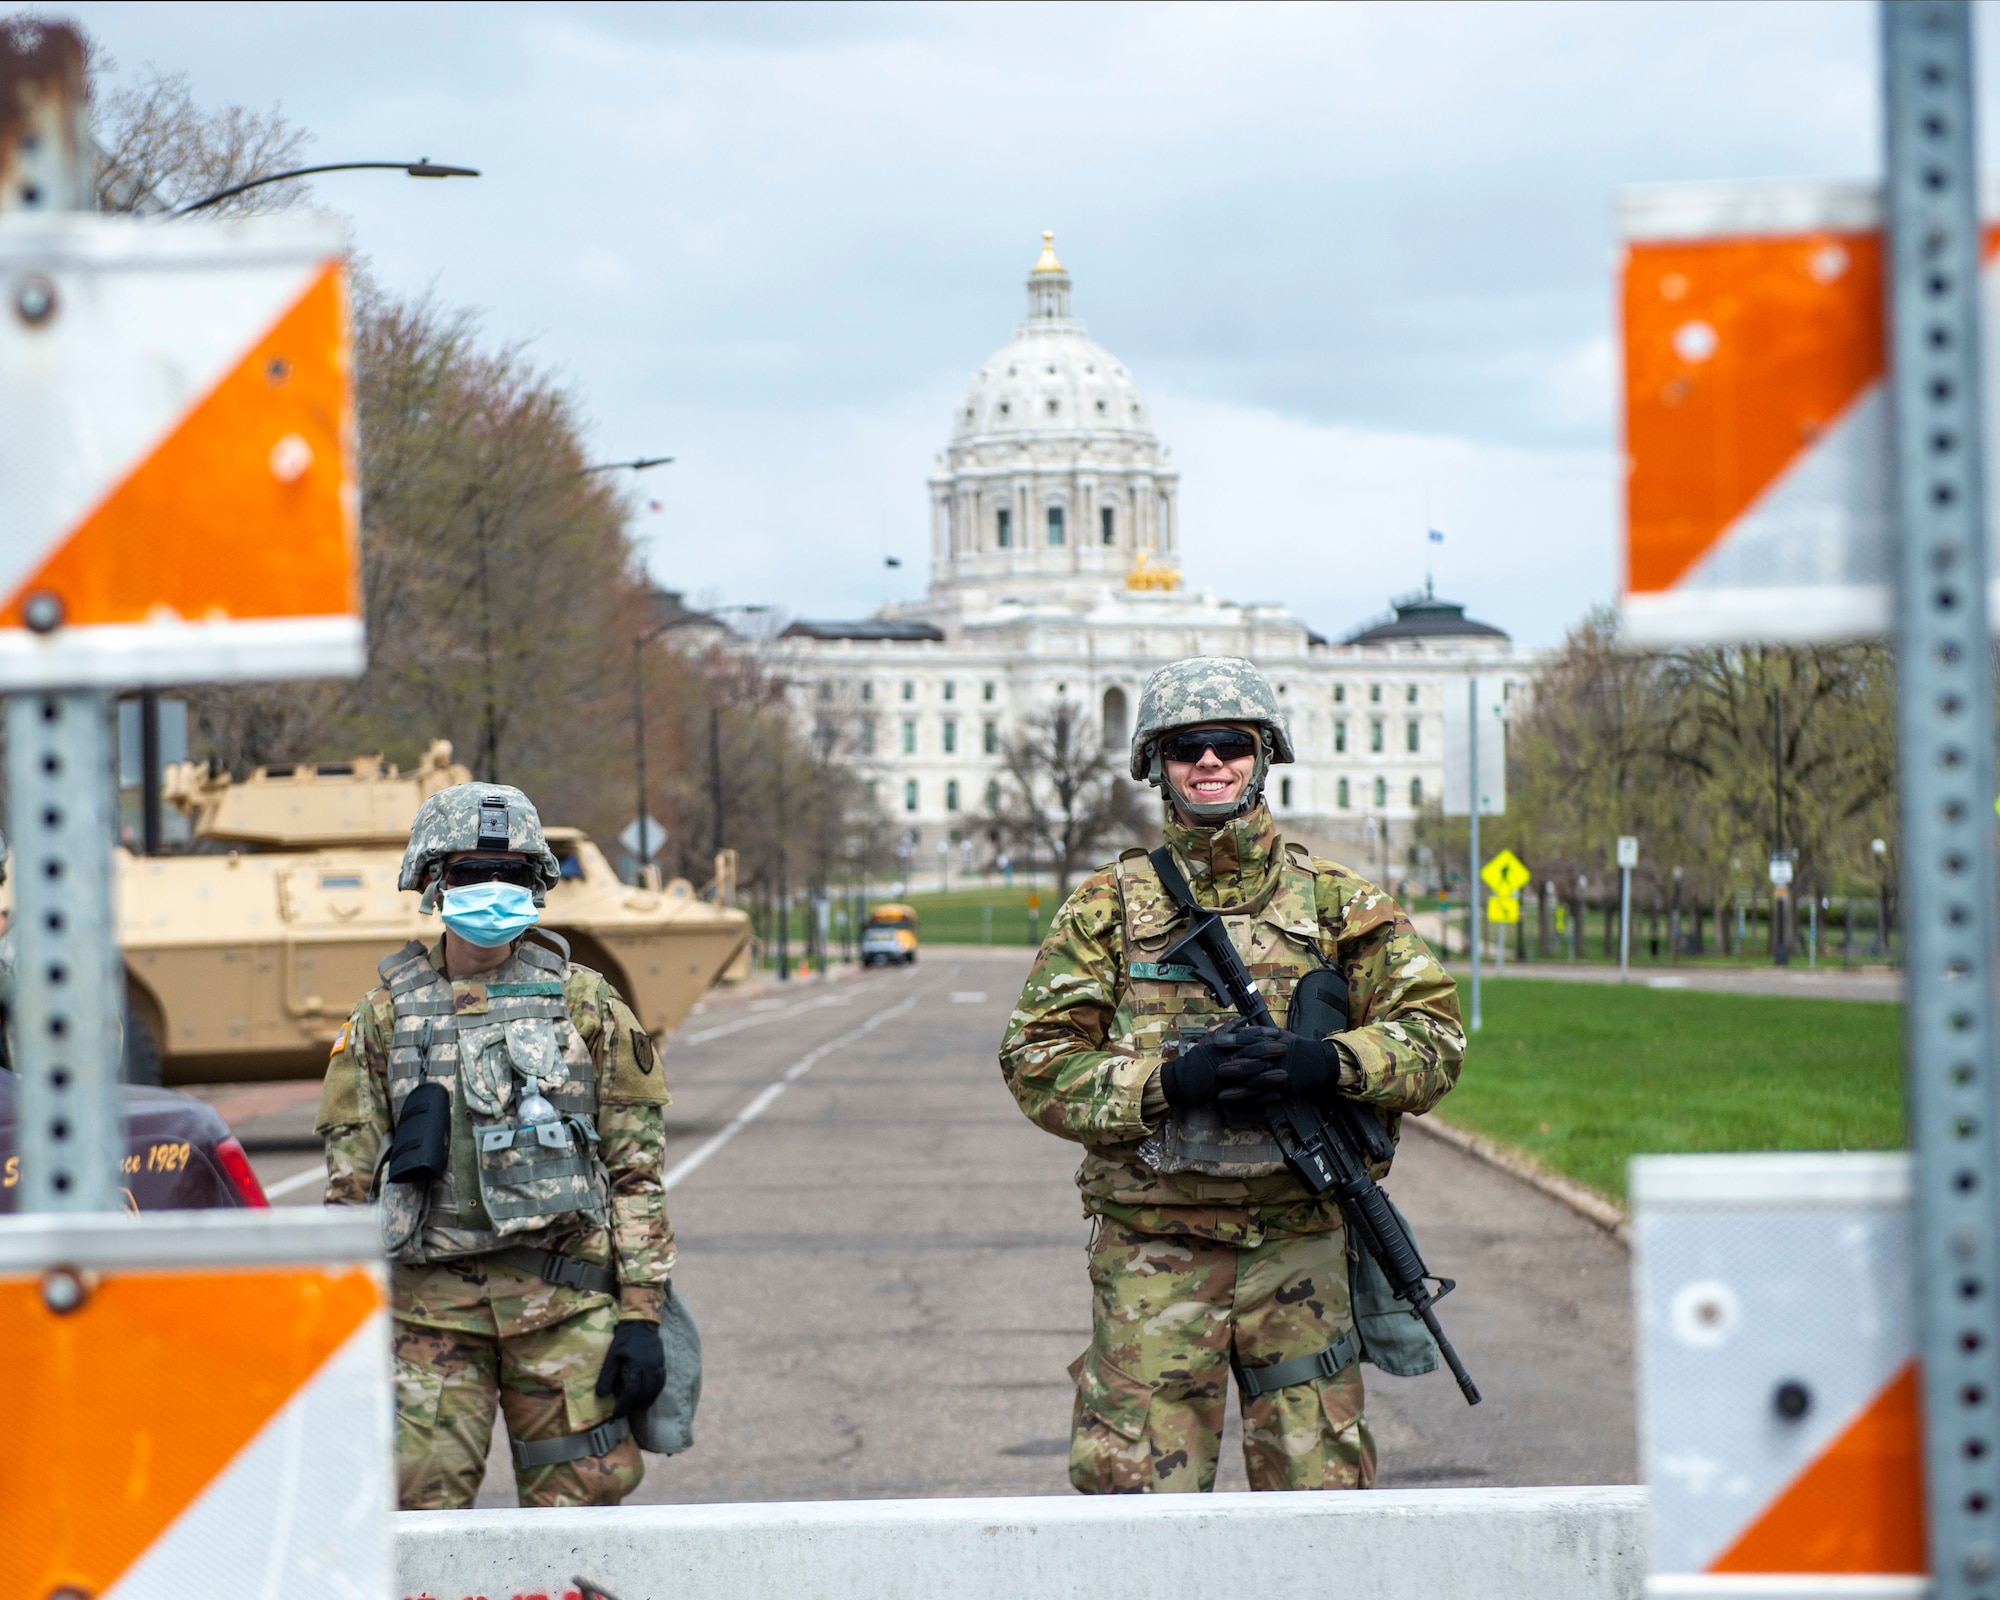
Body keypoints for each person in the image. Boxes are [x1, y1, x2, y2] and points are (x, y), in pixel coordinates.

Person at [998, 656, 1465, 1494]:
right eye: (1186, 749)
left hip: (1300, 1247)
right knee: (1138, 1503)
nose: (1209, 762)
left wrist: (1329, 1061)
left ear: (1263, 755)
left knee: (1318, 1500)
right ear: (1156, 767)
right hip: (1156, 1252)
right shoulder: (1106, 909)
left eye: (1228, 744)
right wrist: (1170, 1084)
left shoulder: (1338, 905)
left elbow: (1435, 1039)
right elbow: (1036, 1061)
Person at [316, 782, 673, 1508]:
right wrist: (339, 1330)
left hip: (563, 1314)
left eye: (509, 874)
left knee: (582, 1509)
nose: (490, 890)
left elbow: (636, 1174)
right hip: (426, 1323)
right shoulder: (381, 1019)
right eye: (471, 875)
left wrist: (641, 1314)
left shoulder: (587, 1004)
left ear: (537, 885)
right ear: (433, 884)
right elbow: (348, 1191)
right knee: (415, 1520)